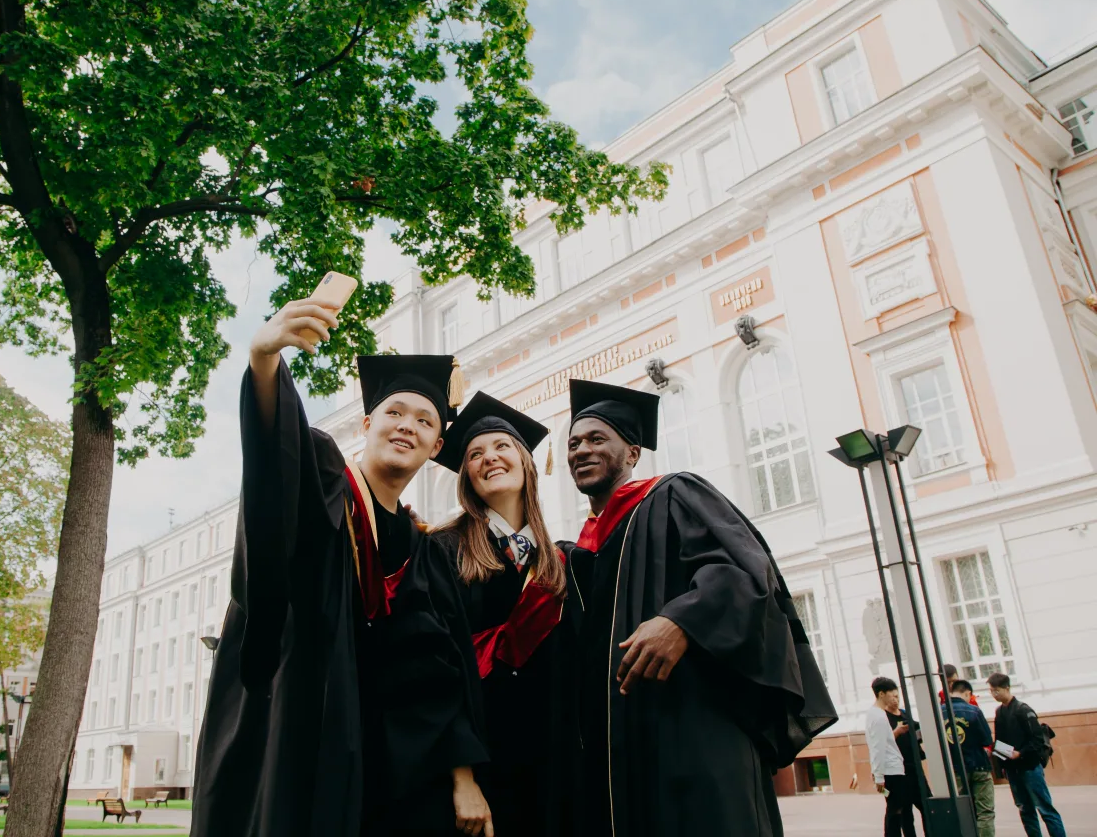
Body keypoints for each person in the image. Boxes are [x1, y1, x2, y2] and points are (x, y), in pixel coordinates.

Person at [192, 296, 490, 837]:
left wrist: (461, 774)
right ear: (369, 420)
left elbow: (438, 673)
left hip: (374, 756)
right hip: (290, 715)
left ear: (437, 443)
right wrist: (263, 363)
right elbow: (272, 461)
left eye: (424, 419)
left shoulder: (423, 552)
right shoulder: (323, 477)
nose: (407, 426)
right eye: (395, 412)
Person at [562, 379, 837, 837]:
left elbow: (743, 570)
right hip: (623, 748)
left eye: (596, 439)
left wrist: (681, 620)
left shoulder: (674, 494)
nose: (581, 450)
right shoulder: (582, 552)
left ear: (632, 453)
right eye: (574, 443)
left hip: (695, 727)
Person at [424, 392, 578, 837]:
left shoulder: (558, 564)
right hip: (481, 770)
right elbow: (433, 670)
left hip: (552, 768)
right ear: (466, 475)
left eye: (502, 447)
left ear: (527, 462)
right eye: (475, 453)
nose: (489, 458)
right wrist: (462, 775)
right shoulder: (443, 551)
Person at [989, 672, 1066, 837]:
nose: (994, 694)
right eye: (991, 691)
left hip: (1030, 767)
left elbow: (1037, 740)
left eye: (997, 691)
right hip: (1012, 770)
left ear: (1007, 688)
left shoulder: (1023, 710)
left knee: (1045, 808)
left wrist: (1020, 753)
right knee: (1025, 809)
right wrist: (1002, 764)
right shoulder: (999, 712)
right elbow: (999, 741)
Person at [866, 677, 920, 837]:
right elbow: (878, 748)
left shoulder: (875, 714)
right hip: (891, 772)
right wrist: (878, 775)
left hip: (891, 770)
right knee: (895, 811)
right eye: (892, 695)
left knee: (896, 810)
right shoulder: (878, 717)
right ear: (881, 694)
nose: (895, 698)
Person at [944, 679, 995, 837]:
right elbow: (987, 740)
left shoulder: (938, 712)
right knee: (985, 812)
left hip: (955, 770)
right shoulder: (974, 711)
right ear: (967, 693)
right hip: (979, 766)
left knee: (960, 811)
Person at [883, 691, 928, 836]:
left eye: (897, 696)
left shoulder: (905, 714)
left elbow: (918, 734)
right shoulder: (883, 718)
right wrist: (896, 732)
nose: (895, 700)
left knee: (926, 805)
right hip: (898, 770)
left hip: (914, 767)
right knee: (905, 811)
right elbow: (881, 745)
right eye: (892, 697)